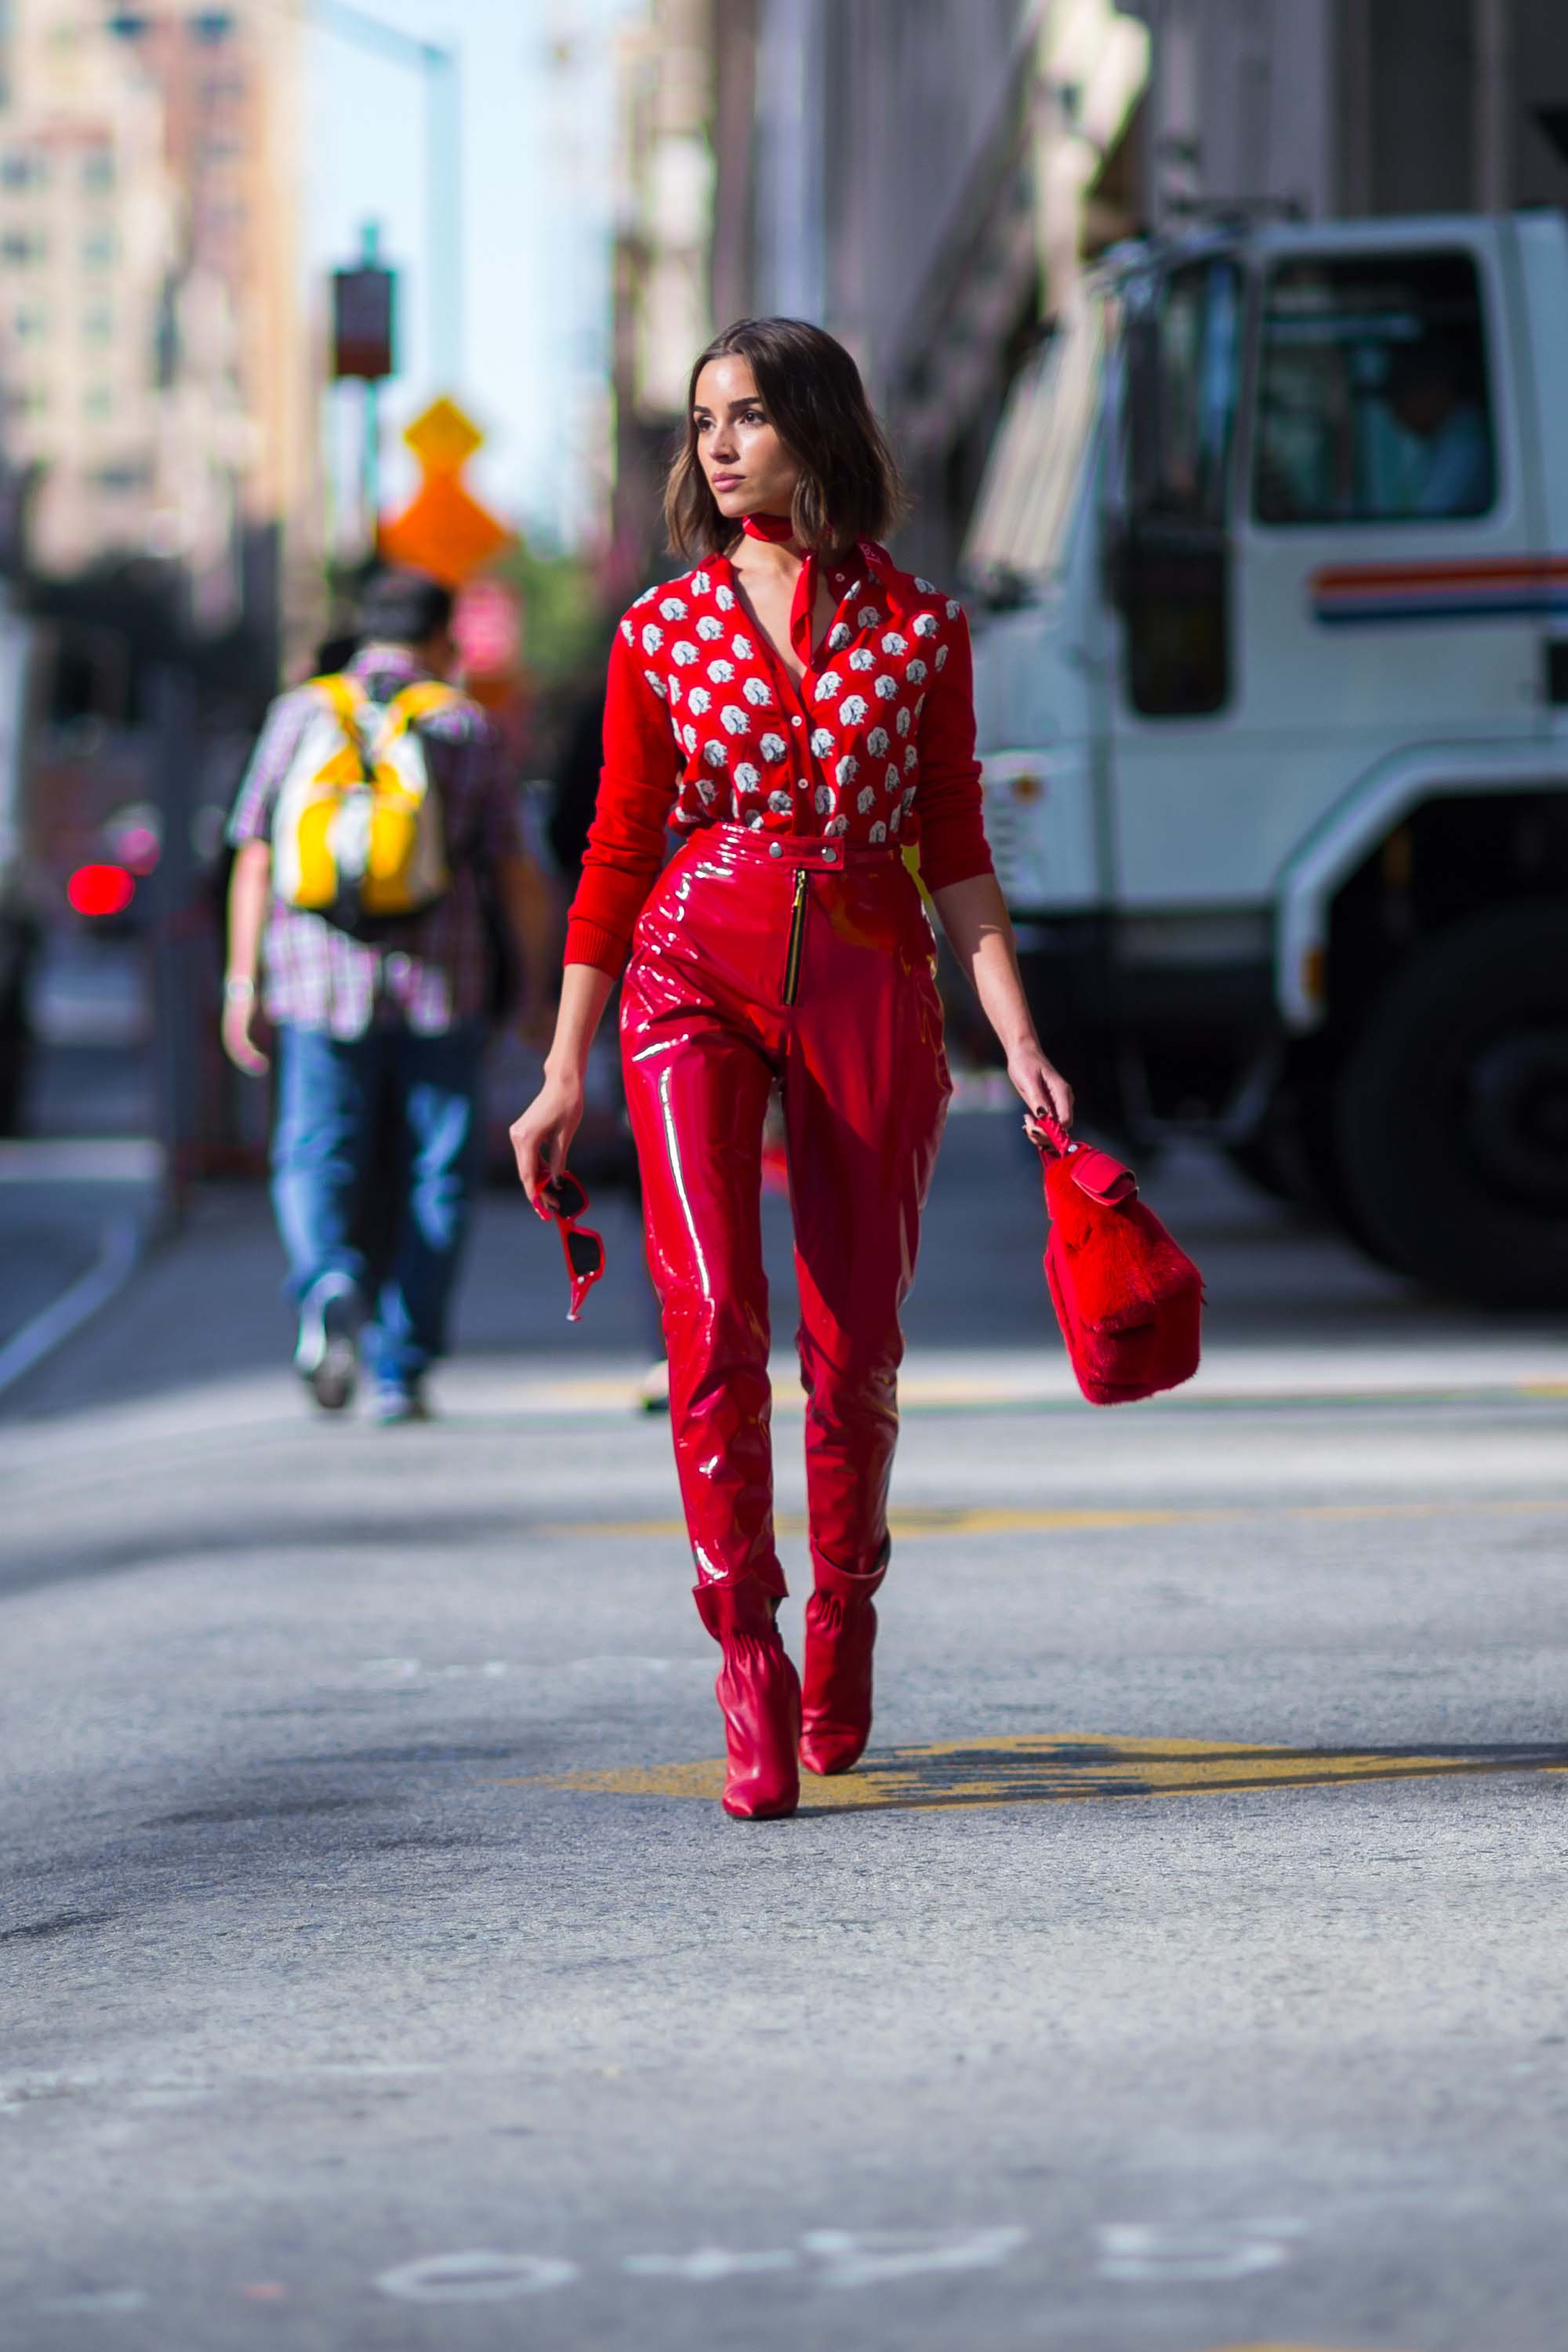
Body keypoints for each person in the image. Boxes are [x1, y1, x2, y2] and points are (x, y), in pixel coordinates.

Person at [510, 318, 1073, 1820]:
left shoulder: (922, 631)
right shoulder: (657, 631)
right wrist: (565, 1069)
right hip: (688, 972)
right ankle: (744, 1653)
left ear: (817, 427)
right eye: (704, 420)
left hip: (871, 981)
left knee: (853, 1344)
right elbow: (619, 850)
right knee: (708, 1322)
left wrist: (1016, 1042)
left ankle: (846, 1607)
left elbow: (955, 845)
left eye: (746, 415)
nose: (718, 444)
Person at [224, 567, 552, 1424]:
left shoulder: (299, 713)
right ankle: (401, 1366)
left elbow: (256, 853)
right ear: (444, 639)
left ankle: (327, 1278)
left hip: (312, 982)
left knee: (313, 1150)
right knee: (433, 1170)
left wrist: (241, 982)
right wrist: (539, 991)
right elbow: (512, 869)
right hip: (441, 987)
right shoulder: (462, 724)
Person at [1384, 340, 1494, 518]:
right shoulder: (1450, 440)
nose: (1398, 418)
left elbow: (1432, 518)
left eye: (1403, 401)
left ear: (1437, 390)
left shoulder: (1466, 445)